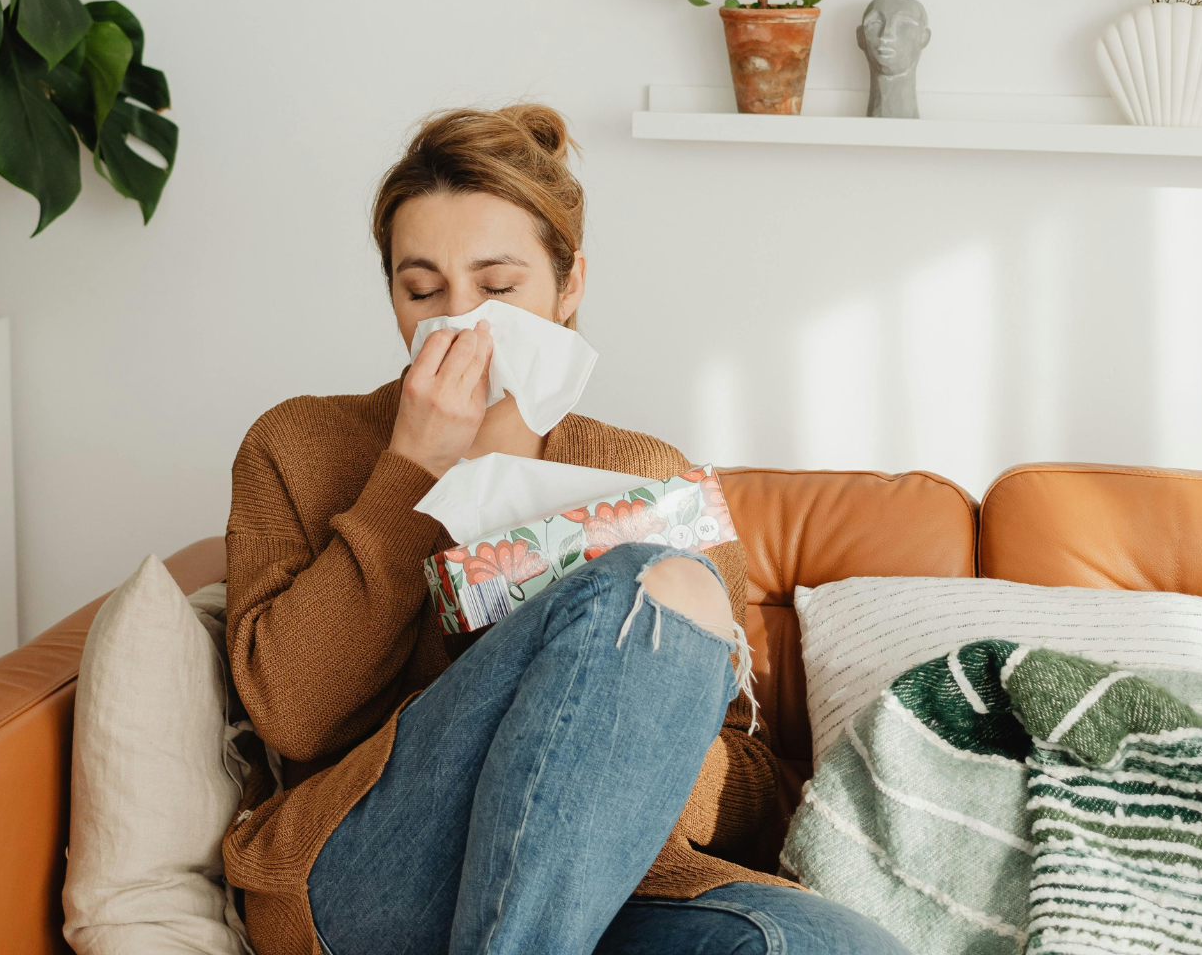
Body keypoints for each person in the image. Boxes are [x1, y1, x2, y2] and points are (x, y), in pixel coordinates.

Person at [221, 103, 910, 955]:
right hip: (367, 872)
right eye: (422, 289)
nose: (462, 319)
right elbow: (295, 717)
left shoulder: (653, 480)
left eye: (498, 287)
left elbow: (747, 778)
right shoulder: (296, 444)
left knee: (840, 948)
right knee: (643, 585)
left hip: (611, 882)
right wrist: (412, 470)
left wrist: (615, 714)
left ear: (569, 286)